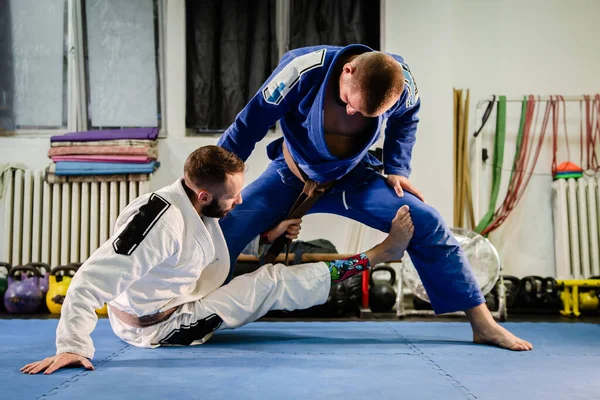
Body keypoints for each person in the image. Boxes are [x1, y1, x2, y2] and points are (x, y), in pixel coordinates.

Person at [217, 44, 533, 351]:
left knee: (426, 220)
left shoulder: (403, 82)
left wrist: (397, 168)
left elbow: (407, 119)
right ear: (347, 70)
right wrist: (220, 182)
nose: (353, 112)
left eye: (366, 113)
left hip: (353, 179)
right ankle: (196, 307)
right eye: (349, 102)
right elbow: (248, 125)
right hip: (290, 175)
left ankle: (483, 324)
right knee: (222, 225)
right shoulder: (302, 68)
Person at [21, 145, 415, 375]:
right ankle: (381, 255)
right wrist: (73, 346)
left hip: (180, 292)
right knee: (272, 282)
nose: (239, 200)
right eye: (232, 195)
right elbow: (90, 280)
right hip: (159, 328)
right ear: (204, 195)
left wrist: (269, 235)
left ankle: (364, 252)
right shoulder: (159, 224)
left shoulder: (190, 205)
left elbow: (199, 250)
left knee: (253, 260)